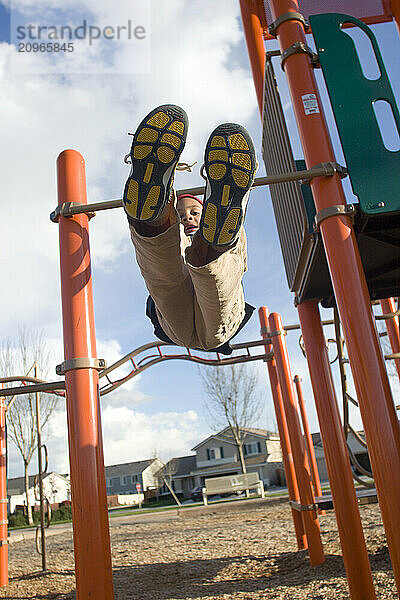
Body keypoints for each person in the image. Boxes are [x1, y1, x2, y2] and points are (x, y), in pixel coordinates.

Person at [123, 104, 257, 355]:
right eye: (181, 215)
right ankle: (206, 238)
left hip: (178, 325)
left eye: (195, 213)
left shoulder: (183, 240)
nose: (187, 218)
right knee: (188, 271)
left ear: (205, 212)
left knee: (163, 272)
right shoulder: (180, 239)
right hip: (214, 325)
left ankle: (156, 220)